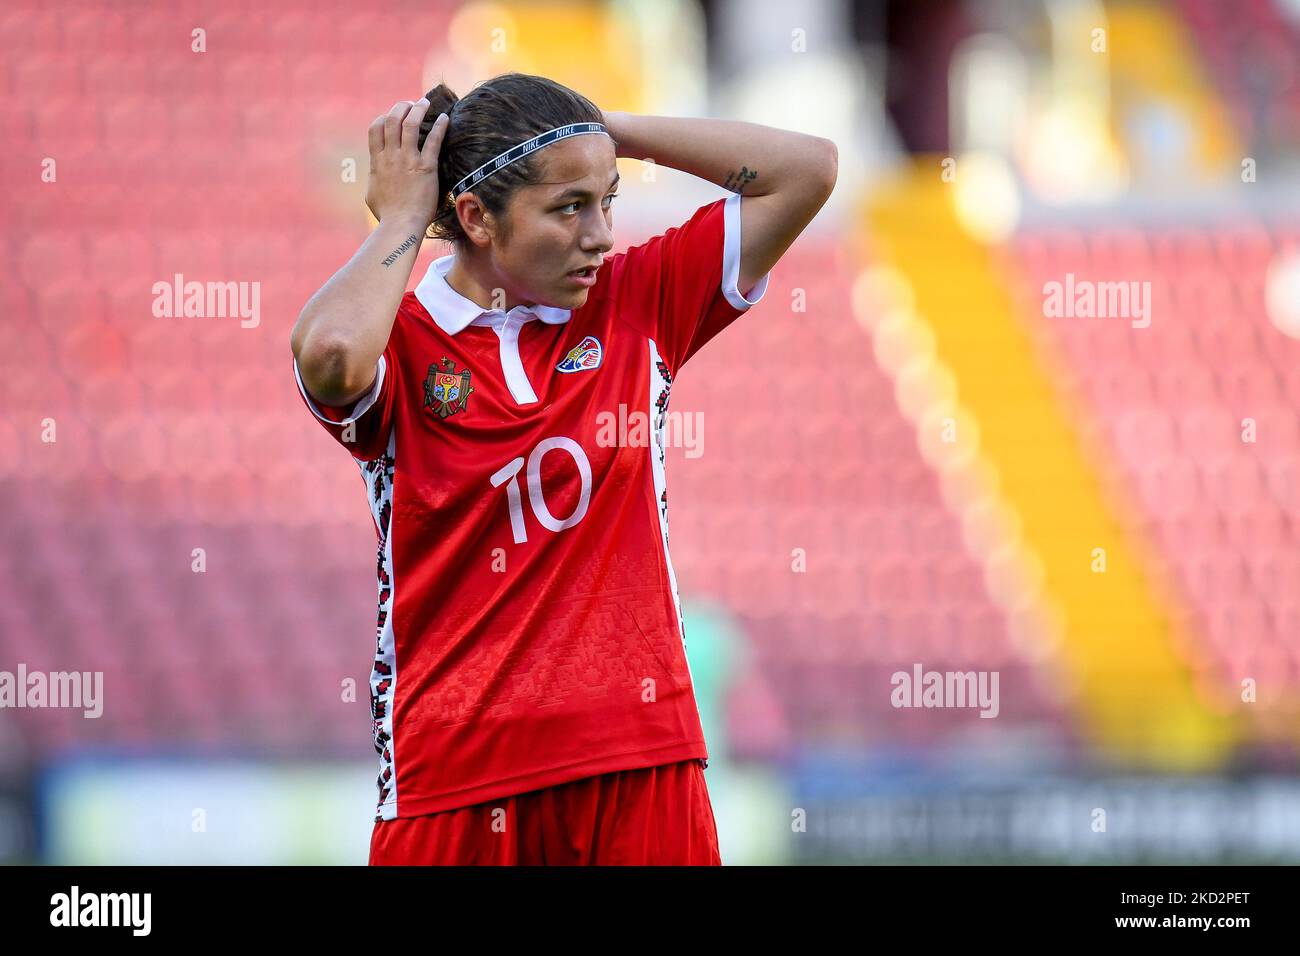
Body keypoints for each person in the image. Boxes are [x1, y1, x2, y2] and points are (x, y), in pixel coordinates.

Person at [289, 72, 836, 865]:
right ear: (474, 217)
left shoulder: (637, 302)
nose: (601, 235)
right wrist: (405, 216)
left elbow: (808, 171)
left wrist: (599, 130)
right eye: (568, 208)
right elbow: (331, 354)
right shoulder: (398, 346)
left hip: (638, 757)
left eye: (607, 201)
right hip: (453, 777)